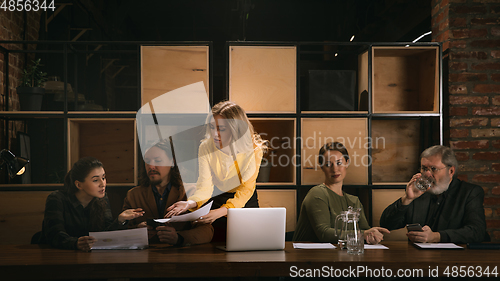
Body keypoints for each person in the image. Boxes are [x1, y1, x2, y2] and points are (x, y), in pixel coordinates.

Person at [166, 101, 267, 239]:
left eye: (221, 129)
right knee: (216, 243)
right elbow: (205, 186)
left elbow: (245, 190)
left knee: (247, 242)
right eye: (212, 127)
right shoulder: (206, 147)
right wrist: (190, 203)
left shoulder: (254, 150)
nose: (214, 134)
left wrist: (221, 212)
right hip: (217, 196)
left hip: (244, 199)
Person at [380, 145, 488, 243]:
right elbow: (386, 224)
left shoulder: (469, 192)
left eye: (433, 169)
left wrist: (436, 237)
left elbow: (477, 232)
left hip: (455, 259)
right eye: (424, 168)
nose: (427, 174)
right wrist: (407, 199)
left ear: (451, 171)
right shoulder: (419, 193)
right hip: (418, 259)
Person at [293, 142, 389, 244]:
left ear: (347, 163)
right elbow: (324, 234)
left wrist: (372, 235)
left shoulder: (354, 201)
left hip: (339, 256)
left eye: (339, 163)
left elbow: (365, 231)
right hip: (307, 256)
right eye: (328, 164)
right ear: (321, 167)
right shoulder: (317, 194)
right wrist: (362, 234)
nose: (334, 169)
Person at [40, 157, 145, 251]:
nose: (102, 184)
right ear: (79, 184)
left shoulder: (101, 199)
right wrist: (75, 243)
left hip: (90, 257)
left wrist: (120, 220)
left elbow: (105, 235)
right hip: (57, 255)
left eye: (103, 178)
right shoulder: (57, 199)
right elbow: (54, 234)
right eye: (95, 180)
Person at [122, 139, 214, 246]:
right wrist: (138, 232)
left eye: (158, 160)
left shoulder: (192, 193)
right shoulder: (133, 195)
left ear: (172, 162)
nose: (151, 166)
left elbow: (207, 231)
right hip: (145, 256)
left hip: (182, 256)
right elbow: (122, 230)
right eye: (147, 161)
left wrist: (179, 237)